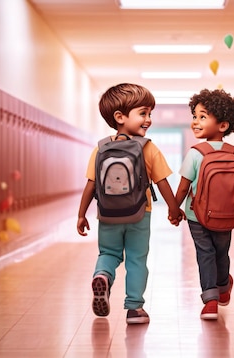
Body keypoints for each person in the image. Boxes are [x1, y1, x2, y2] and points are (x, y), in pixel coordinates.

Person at [76, 83, 183, 325]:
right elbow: (163, 182)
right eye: (143, 113)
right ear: (119, 117)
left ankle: (103, 275)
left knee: (108, 253)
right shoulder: (147, 147)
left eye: (150, 114)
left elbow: (90, 185)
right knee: (136, 258)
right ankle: (134, 308)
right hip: (139, 214)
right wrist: (174, 209)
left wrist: (81, 215)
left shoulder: (101, 148)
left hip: (107, 214)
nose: (149, 120)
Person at [175, 89, 234, 320]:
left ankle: (210, 300)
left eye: (203, 117)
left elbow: (183, 188)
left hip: (197, 216)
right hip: (228, 216)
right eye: (194, 116)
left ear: (223, 125)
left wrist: (175, 210)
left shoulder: (195, 154)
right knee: (222, 254)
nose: (195, 122)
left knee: (206, 254)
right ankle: (222, 289)